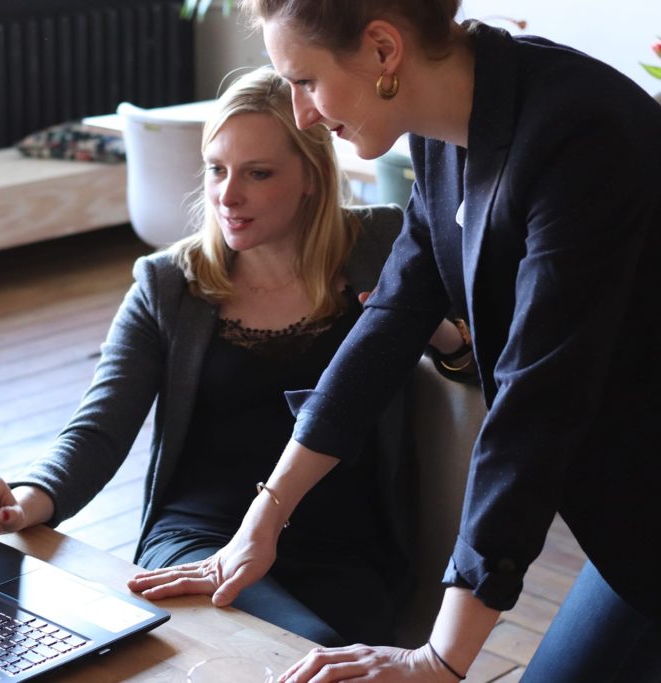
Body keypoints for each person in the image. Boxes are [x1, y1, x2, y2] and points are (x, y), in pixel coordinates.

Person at [128, 1, 661, 681]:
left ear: (383, 50)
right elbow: (391, 319)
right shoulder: (445, 135)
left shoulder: (581, 134)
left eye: (307, 81)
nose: (302, 115)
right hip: (629, 514)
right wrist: (263, 519)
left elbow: (537, 405)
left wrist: (439, 659)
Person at [0, 65, 469, 646]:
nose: (228, 195)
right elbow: (98, 428)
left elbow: (478, 367)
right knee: (291, 647)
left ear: (312, 177)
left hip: (345, 547)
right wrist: (24, 501)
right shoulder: (169, 284)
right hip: (199, 537)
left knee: (313, 648)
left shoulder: (383, 244)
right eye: (217, 170)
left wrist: (439, 334)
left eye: (258, 173)